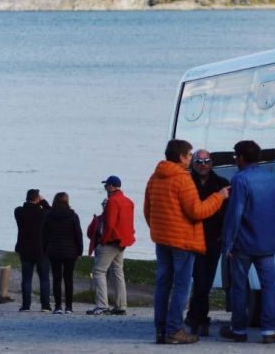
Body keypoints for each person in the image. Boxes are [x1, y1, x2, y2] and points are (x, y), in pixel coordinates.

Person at [144, 139, 229, 345]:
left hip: (161, 240)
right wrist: (219, 197)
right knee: (182, 286)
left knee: (163, 285)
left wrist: (159, 230)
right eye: (190, 155)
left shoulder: (155, 177)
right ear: (181, 157)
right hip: (182, 241)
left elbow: (148, 209)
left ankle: (161, 329)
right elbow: (197, 211)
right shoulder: (183, 179)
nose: (191, 159)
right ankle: (174, 330)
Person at [220, 140, 275, 344]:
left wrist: (228, 243)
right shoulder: (271, 178)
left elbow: (235, 213)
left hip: (244, 243)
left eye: (236, 156)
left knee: (239, 287)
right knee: (269, 287)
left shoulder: (240, 179)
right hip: (268, 242)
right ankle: (269, 331)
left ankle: (238, 329)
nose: (235, 160)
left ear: (242, 157)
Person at [184, 148, 230, 337]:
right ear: (192, 163)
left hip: (213, 240)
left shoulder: (222, 184)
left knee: (205, 281)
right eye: (199, 162)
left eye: (206, 161)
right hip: (191, 239)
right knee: (199, 280)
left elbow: (228, 214)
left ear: (212, 163)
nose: (203, 165)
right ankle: (199, 319)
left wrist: (225, 237)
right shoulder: (186, 183)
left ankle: (195, 316)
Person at [87, 175, 135, 316]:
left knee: (98, 271)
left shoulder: (112, 202)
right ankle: (121, 305)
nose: (105, 188)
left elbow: (110, 224)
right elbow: (129, 223)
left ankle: (102, 305)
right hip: (123, 241)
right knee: (117, 272)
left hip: (111, 241)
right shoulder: (129, 202)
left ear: (112, 186)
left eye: (106, 186)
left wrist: (103, 240)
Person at [42, 192, 83, 314]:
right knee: (68, 278)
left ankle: (58, 306)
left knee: (56, 278)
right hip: (70, 251)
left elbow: (44, 235)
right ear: (67, 201)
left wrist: (45, 249)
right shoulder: (73, 216)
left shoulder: (49, 215)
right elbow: (78, 234)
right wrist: (80, 250)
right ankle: (69, 307)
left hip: (54, 250)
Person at [14, 188, 52, 312]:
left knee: (26, 279)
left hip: (24, 249)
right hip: (41, 249)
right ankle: (45, 306)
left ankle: (26, 305)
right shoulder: (43, 213)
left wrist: (36, 202)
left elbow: (22, 208)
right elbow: (51, 211)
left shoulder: (19, 211)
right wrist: (43, 201)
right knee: (44, 279)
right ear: (37, 199)